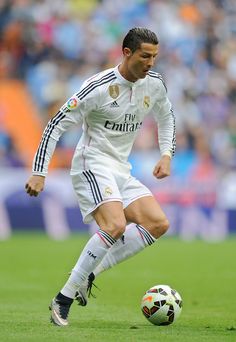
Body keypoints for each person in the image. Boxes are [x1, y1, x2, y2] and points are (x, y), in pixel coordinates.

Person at [25, 27, 176, 326]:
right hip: (91, 163)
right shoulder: (98, 87)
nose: (151, 63)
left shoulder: (155, 84)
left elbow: (166, 116)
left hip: (121, 167)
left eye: (155, 57)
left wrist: (166, 154)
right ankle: (63, 299)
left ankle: (88, 274)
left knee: (158, 223)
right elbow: (55, 124)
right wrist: (39, 172)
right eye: (145, 56)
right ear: (127, 53)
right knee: (115, 225)